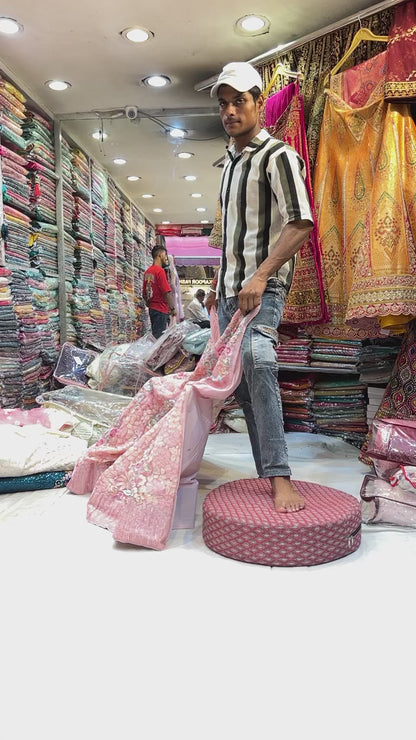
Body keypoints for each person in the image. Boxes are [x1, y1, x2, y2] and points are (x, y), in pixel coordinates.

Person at [208, 61, 314, 513]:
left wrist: (263, 273)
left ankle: (280, 476)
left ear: (258, 104)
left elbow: (301, 222)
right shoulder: (229, 166)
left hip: (261, 285)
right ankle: (267, 470)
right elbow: (231, 236)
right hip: (231, 288)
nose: (231, 111)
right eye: (224, 104)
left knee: (259, 358)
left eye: (240, 101)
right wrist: (217, 285)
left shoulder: (278, 156)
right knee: (244, 385)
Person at [143, 246, 176, 338]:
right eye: (165, 255)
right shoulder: (160, 271)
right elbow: (166, 292)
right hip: (161, 309)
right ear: (160, 255)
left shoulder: (147, 272)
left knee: (155, 336)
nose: (166, 258)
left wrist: (150, 304)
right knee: (160, 340)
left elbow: (144, 294)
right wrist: (173, 309)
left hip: (152, 309)